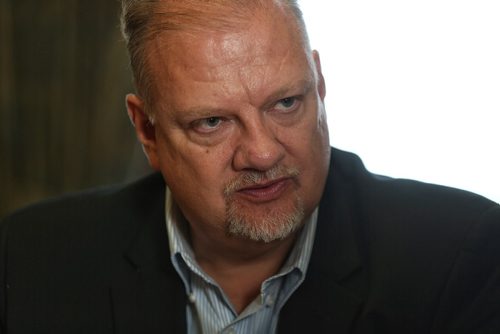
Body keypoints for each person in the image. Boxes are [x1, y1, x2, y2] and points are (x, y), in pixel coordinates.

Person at [1, 0, 499, 333]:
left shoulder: (460, 257)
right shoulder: (27, 262)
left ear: (319, 86)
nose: (262, 153)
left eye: (285, 103)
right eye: (213, 121)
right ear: (147, 131)